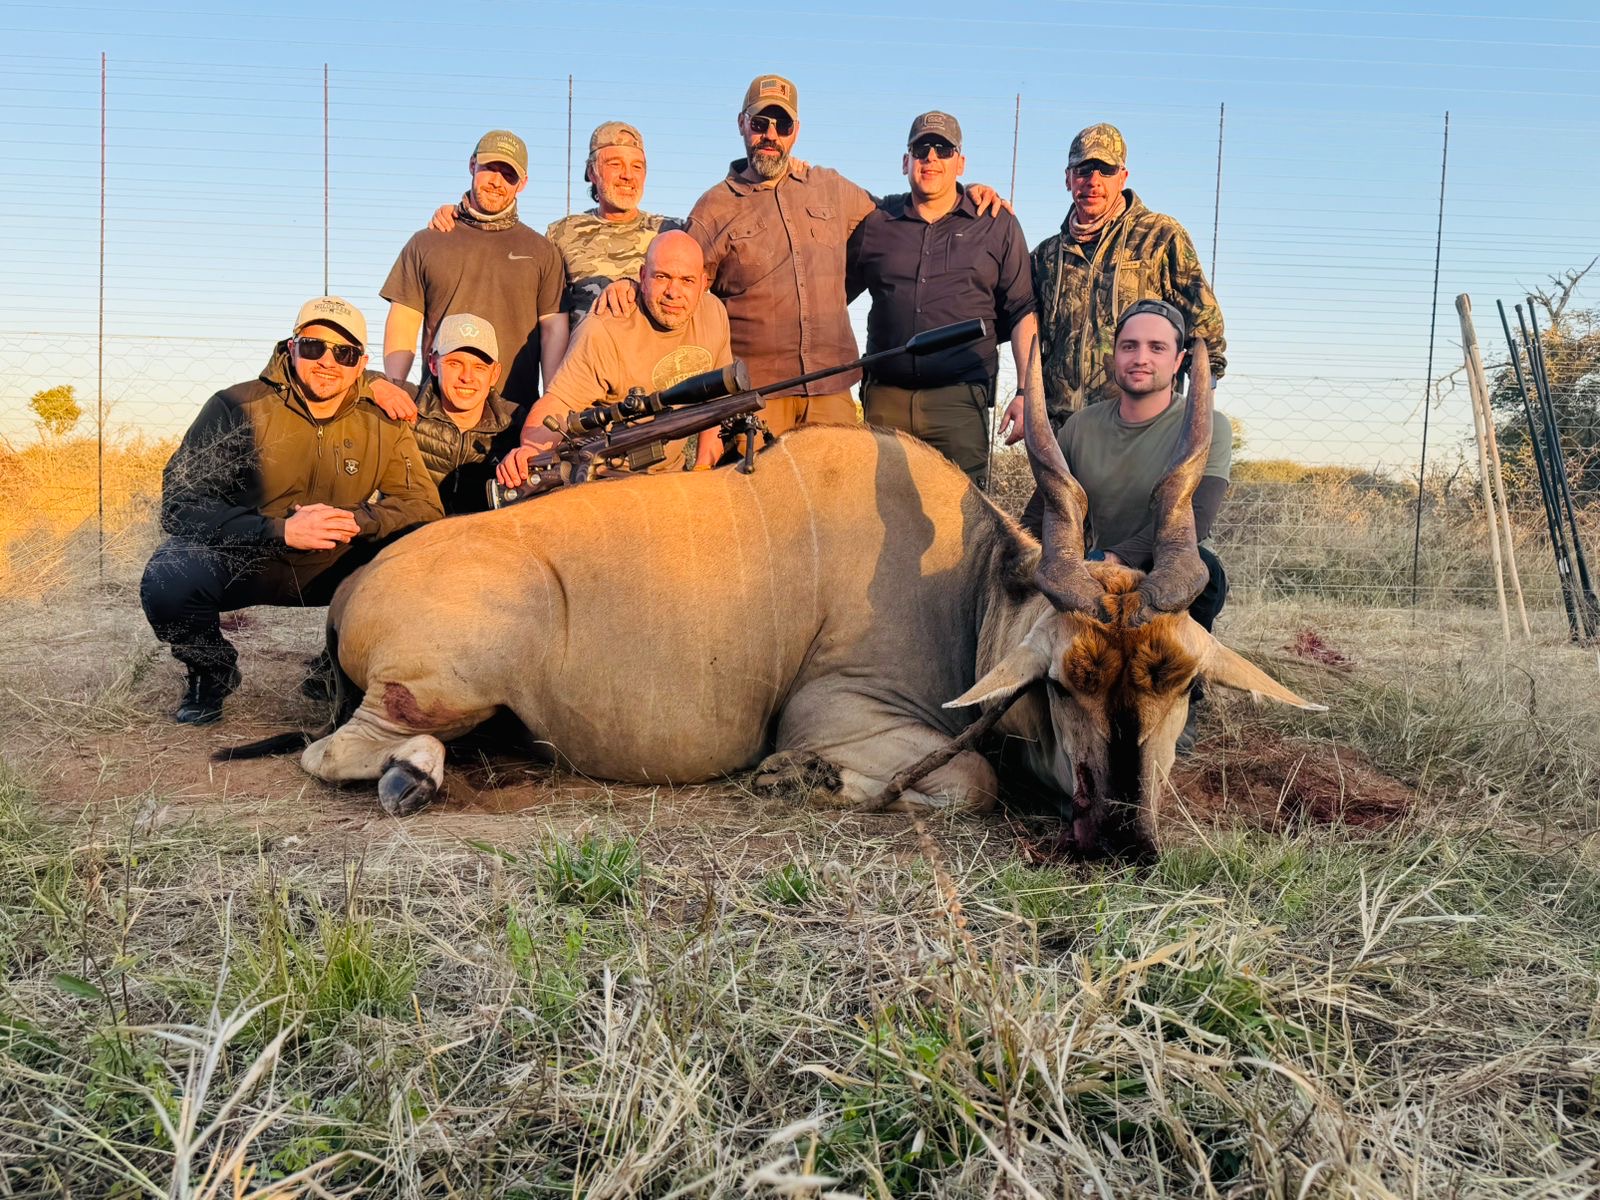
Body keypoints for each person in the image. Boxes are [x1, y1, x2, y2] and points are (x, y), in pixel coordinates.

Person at [596, 76, 1011, 437]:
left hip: (832, 394)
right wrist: (632, 286)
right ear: (742, 124)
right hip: (758, 399)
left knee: (841, 514)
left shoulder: (828, 186)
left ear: (796, 131)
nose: (771, 135)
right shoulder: (715, 206)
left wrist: (965, 191)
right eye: (761, 123)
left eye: (783, 124)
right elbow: (677, 280)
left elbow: (903, 213)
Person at [140, 297, 443, 725]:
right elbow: (179, 505)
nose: (328, 362)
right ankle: (211, 671)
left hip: (339, 559)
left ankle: (346, 668)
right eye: (314, 347)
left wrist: (359, 521)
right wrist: (278, 530)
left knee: (424, 560)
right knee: (167, 578)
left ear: (362, 363)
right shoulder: (234, 406)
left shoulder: (384, 421)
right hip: (252, 553)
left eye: (345, 353)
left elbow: (423, 507)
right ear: (291, 346)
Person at [1020, 299, 1231, 747]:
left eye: (1157, 347)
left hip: (1153, 572)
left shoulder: (1207, 425)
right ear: (1113, 356)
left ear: (1177, 361)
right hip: (1090, 577)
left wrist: (1117, 557)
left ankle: (1180, 703)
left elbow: (1200, 513)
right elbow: (1043, 509)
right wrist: (1019, 557)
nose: (1141, 358)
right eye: (1129, 346)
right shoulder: (1080, 426)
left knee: (1206, 575)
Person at [847, 111, 1037, 488]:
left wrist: (1025, 392)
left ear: (960, 162)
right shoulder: (875, 223)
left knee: (961, 528)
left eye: (943, 149)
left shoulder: (996, 222)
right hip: (886, 401)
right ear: (906, 162)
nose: (931, 157)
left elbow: (1021, 312)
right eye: (921, 148)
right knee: (875, 518)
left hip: (959, 403)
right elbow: (831, 297)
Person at [1000, 122, 1226, 437]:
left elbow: (1205, 331)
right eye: (1083, 170)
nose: (1093, 181)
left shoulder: (1159, 237)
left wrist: (1201, 419)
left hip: (1140, 432)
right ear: (1067, 179)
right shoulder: (1044, 257)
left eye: (1105, 170)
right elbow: (1020, 324)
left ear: (1123, 177)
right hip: (1060, 436)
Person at [497, 231, 732, 487]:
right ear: (642, 276)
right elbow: (559, 401)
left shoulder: (714, 315)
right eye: (662, 277)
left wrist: (702, 473)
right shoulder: (604, 329)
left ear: (703, 283)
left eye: (687, 280)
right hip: (609, 481)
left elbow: (717, 403)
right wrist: (530, 453)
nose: (673, 292)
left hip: (674, 478)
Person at [374, 130, 567, 420]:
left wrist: (552, 405)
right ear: (472, 165)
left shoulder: (542, 252)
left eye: (508, 175)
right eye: (490, 168)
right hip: (436, 415)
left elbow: (553, 331)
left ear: (522, 183)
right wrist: (397, 388)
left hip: (513, 417)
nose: (497, 181)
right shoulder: (427, 241)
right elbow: (405, 318)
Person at [429, 121, 685, 330]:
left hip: (664, 385)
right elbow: (511, 260)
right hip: (586, 385)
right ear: (592, 172)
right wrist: (464, 217)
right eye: (614, 164)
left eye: (637, 166)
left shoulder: (675, 232)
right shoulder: (561, 234)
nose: (628, 175)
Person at [409, 313, 521, 514]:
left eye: (479, 367)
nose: (467, 377)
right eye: (454, 363)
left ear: (494, 374)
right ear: (433, 365)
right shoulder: (406, 406)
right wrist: (376, 382)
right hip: (410, 540)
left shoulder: (517, 425)